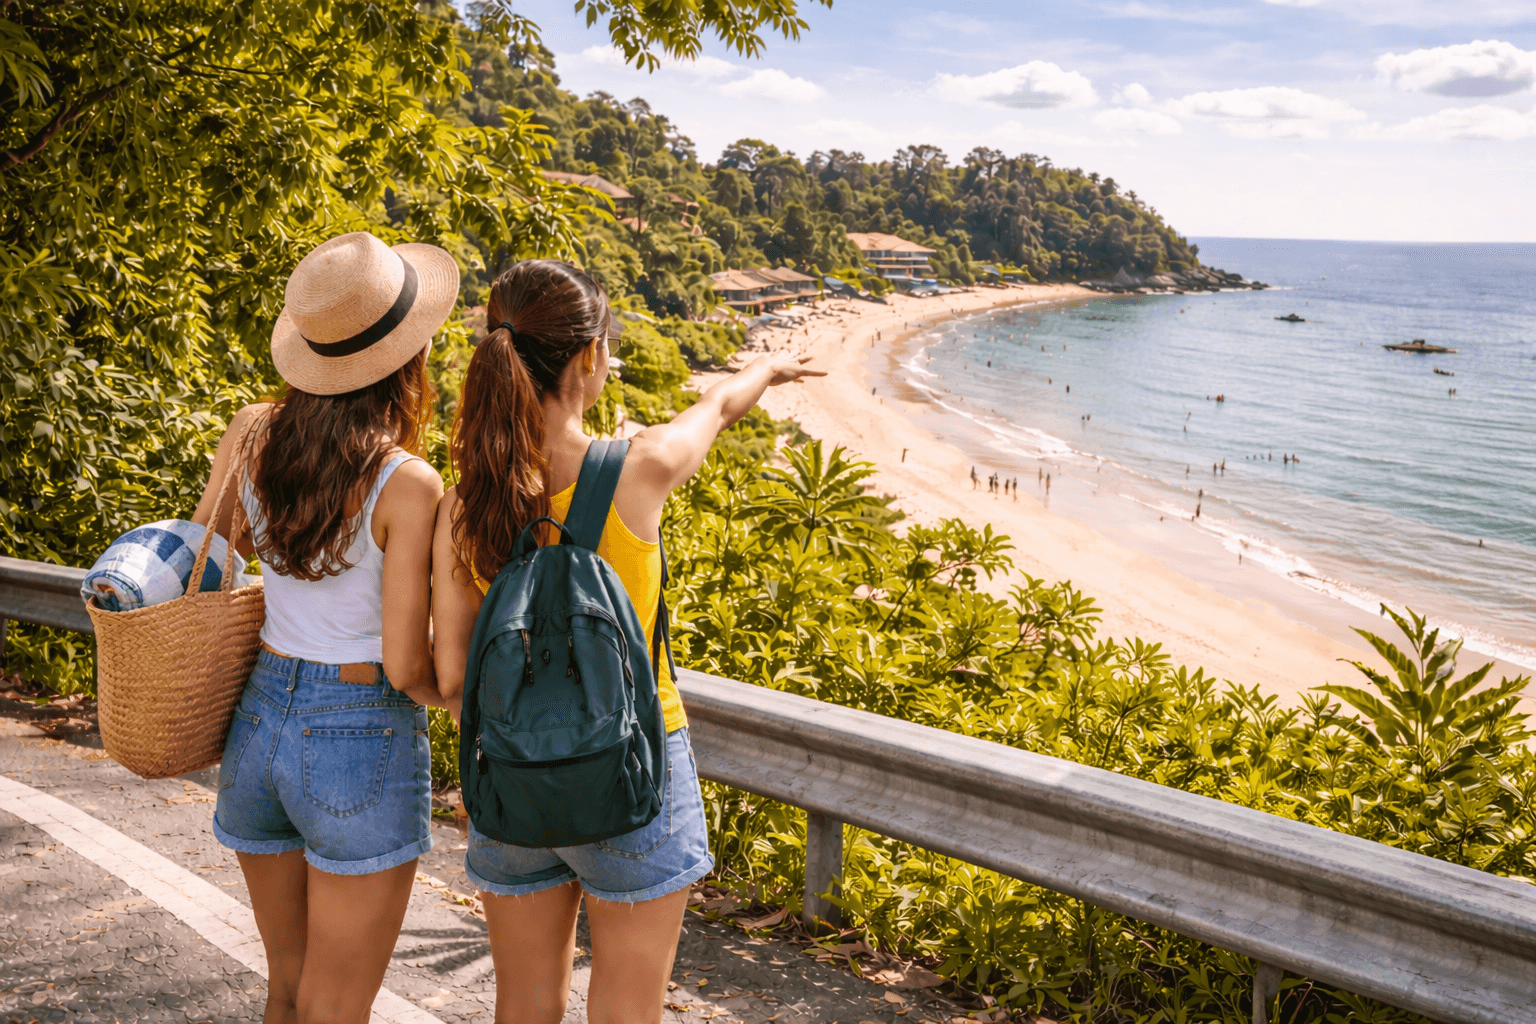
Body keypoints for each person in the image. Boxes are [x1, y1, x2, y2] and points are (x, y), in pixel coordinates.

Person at [430, 260, 822, 1024]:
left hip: (509, 778)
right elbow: (716, 407)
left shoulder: (462, 503)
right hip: (634, 775)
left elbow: (453, 680)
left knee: (522, 1007)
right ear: (590, 360)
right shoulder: (640, 468)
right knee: (627, 1011)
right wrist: (770, 367)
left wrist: (519, 758)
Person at [195, 232, 454, 1023]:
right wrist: (461, 701)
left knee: (289, 990)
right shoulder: (408, 485)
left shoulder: (252, 434)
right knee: (338, 1004)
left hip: (258, 723)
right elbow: (407, 665)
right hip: (358, 733)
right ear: (406, 361)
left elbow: (203, 559)